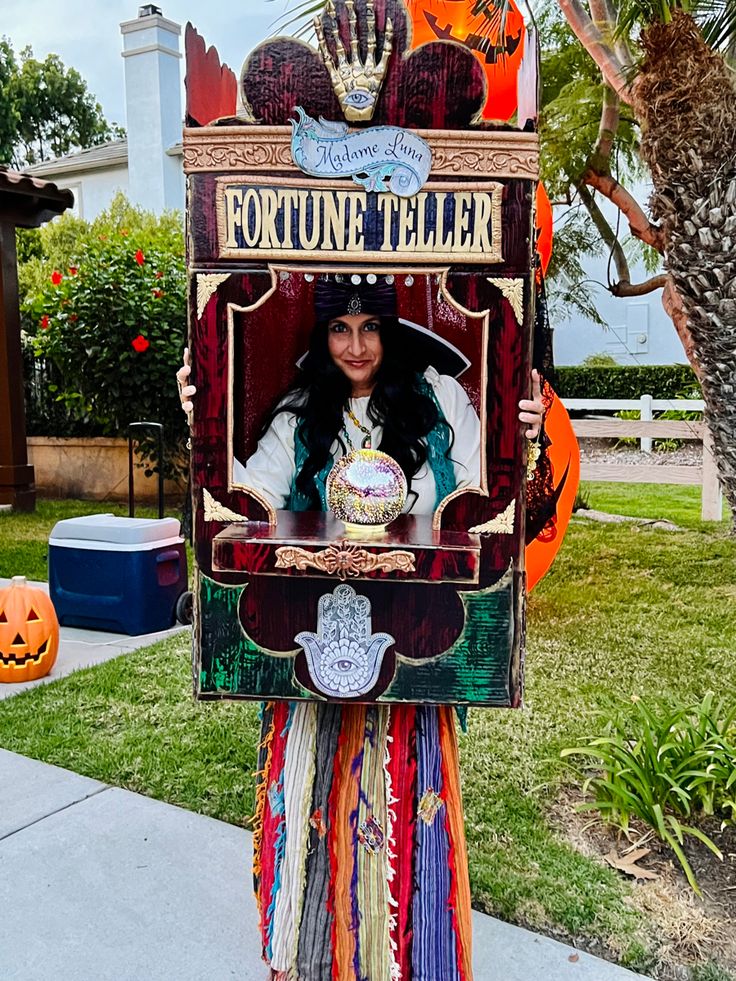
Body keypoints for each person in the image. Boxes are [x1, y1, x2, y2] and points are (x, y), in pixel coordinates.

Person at [177, 275, 545, 981]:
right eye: (339, 330)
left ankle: (410, 962)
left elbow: (488, 495)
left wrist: (520, 433)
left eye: (369, 328)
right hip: (315, 639)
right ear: (322, 336)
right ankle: (312, 960)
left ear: (389, 331)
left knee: (410, 799)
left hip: (413, 633)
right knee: (309, 796)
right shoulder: (298, 417)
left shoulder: (440, 401)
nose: (355, 345)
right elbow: (245, 499)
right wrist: (202, 421)